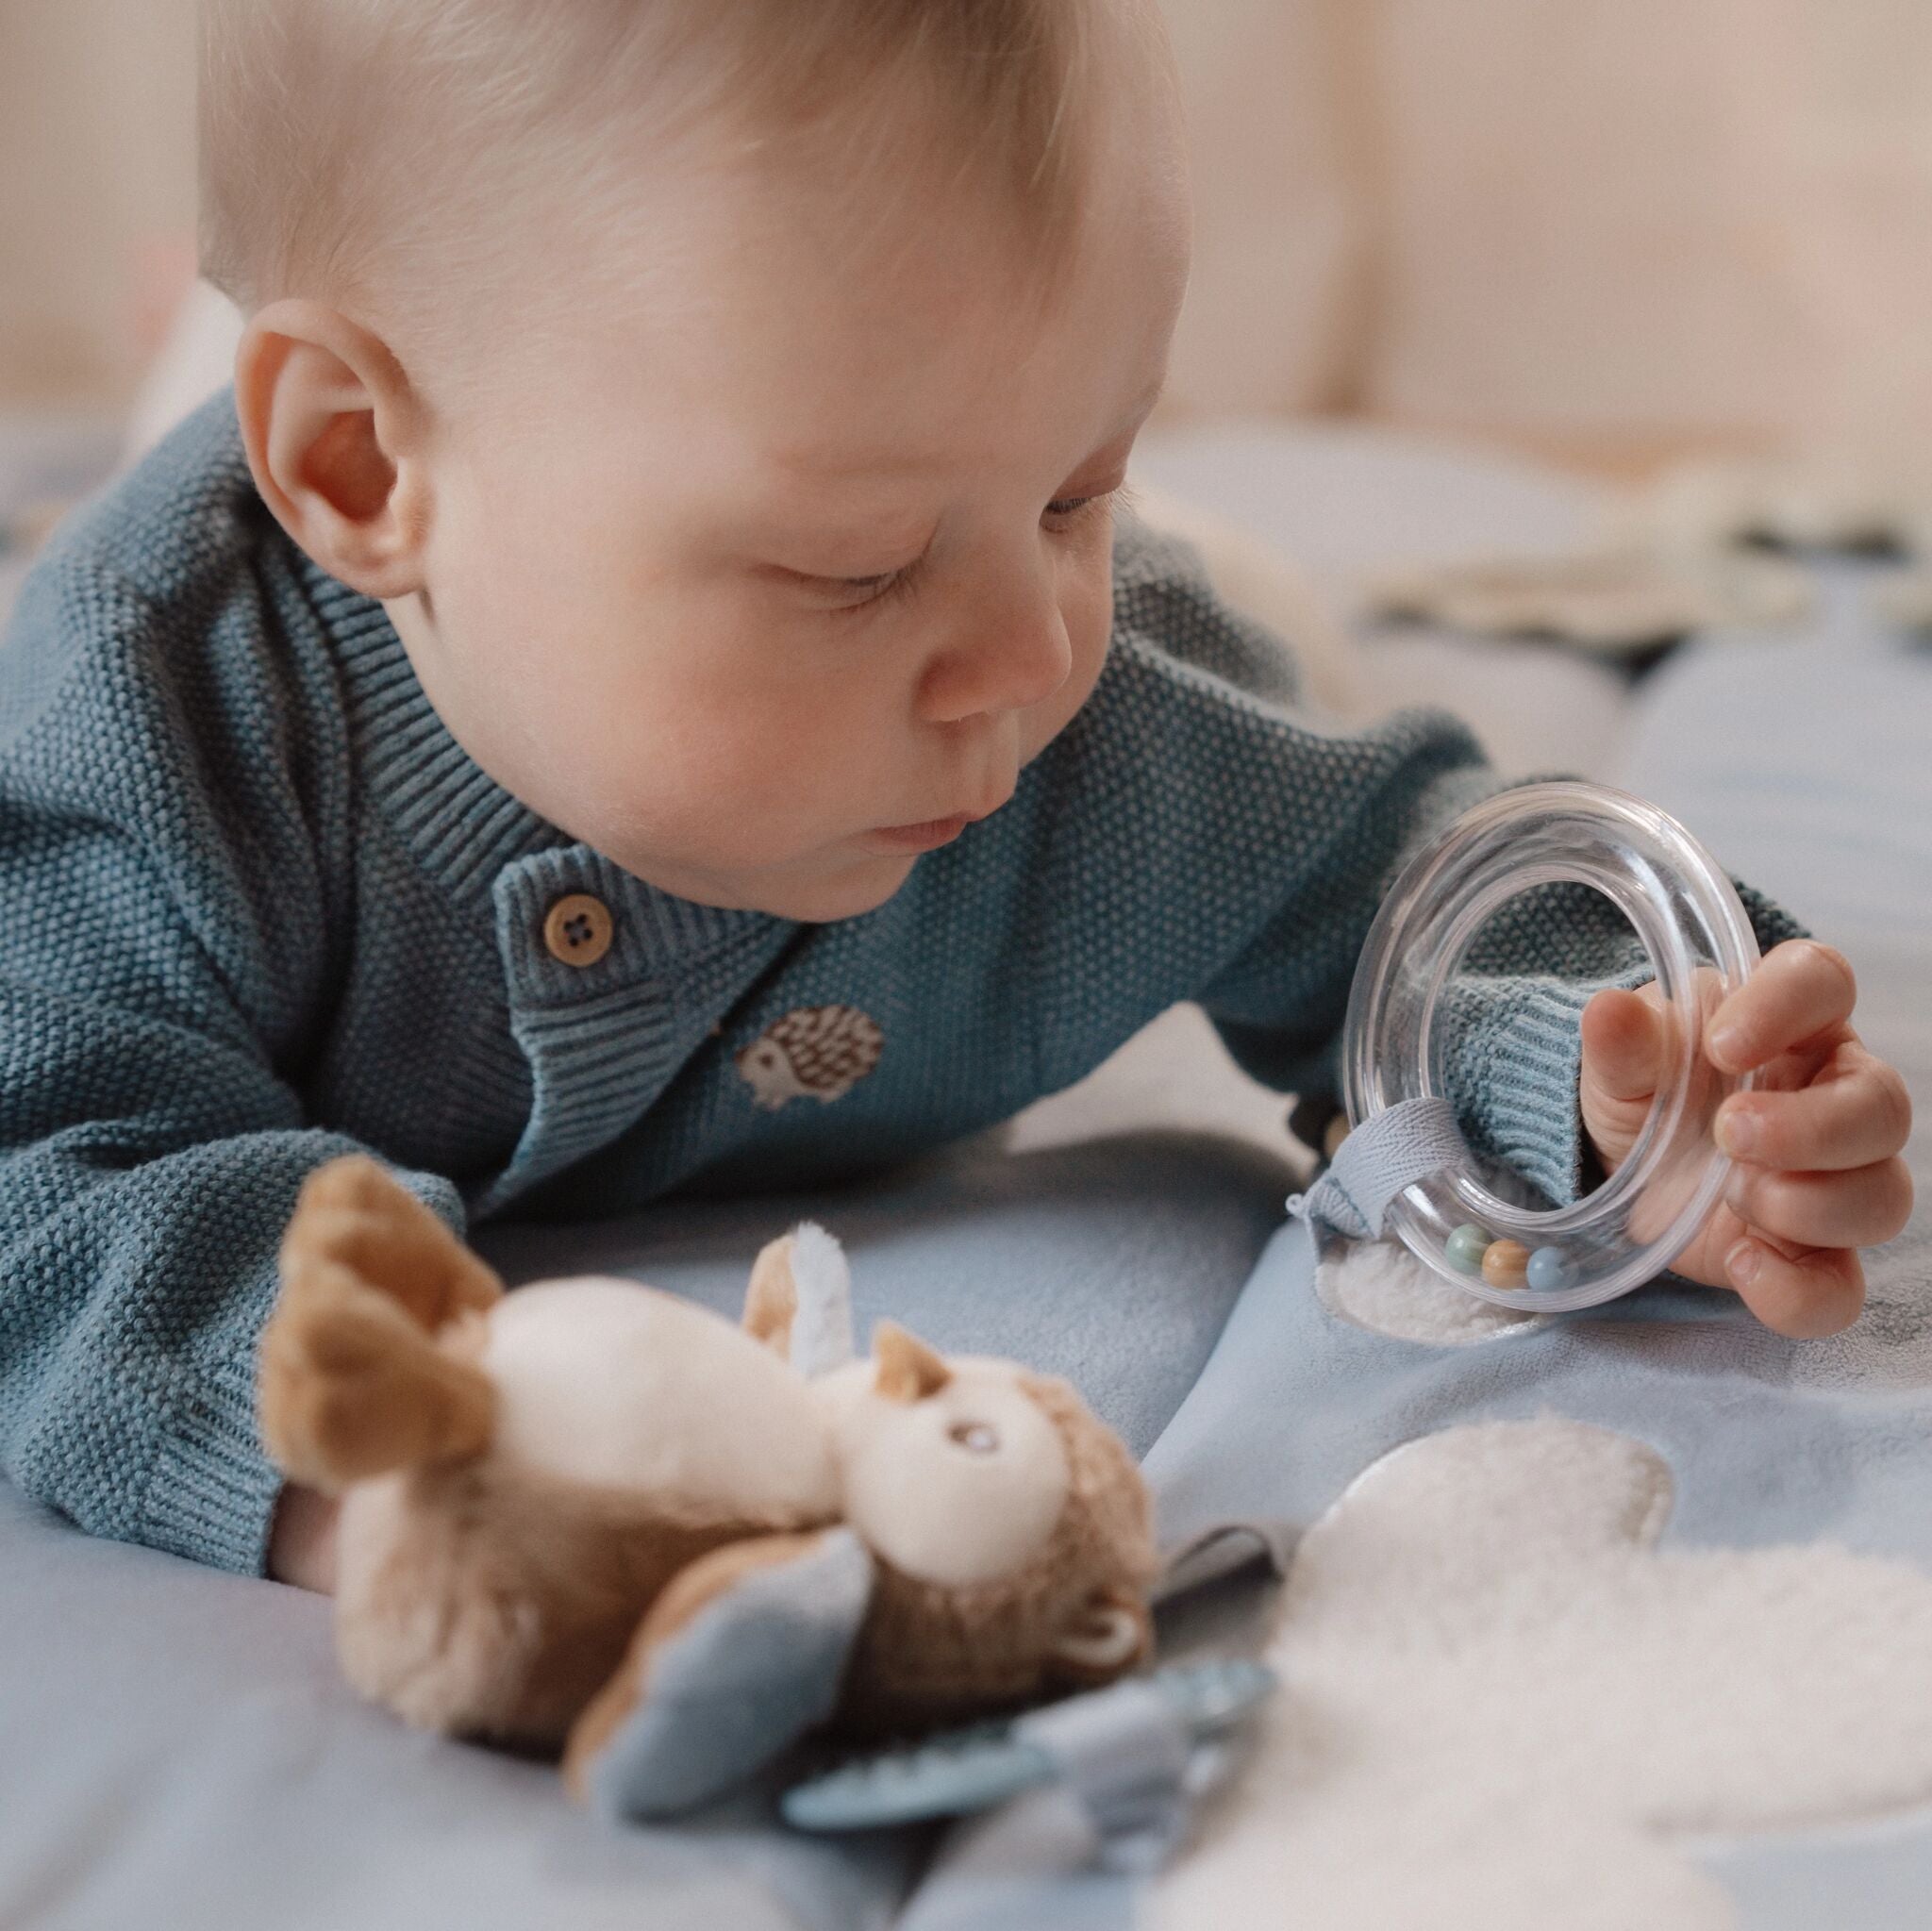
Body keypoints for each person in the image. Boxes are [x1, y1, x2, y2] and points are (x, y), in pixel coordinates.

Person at [0, 0, 1911, 1596]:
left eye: (1082, 483)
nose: (1022, 660)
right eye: (852, 568)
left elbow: (1404, 918)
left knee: (1225, 618)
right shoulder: (150, 748)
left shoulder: (1106, 734)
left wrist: (1614, 1096)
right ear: (358, 466)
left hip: (1225, 613)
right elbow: (43, 1184)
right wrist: (390, 1463)